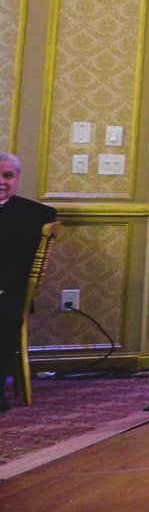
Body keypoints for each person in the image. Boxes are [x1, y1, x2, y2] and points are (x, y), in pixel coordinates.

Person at [0, 153, 57, 411]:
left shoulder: (36, 215)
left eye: (7, 175)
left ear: (17, 178)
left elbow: (20, 262)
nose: (1, 181)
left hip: (8, 291)